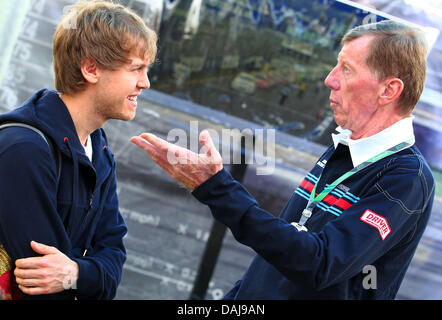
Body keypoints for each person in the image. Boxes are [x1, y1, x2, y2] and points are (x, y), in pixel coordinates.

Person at [130, 20, 435, 299]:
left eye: (346, 69)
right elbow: (281, 255)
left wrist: (216, 188)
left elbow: (320, 264)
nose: (330, 79)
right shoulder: (347, 145)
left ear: (389, 89)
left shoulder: (405, 178)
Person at [0, 1, 157, 299]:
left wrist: (74, 273)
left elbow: (113, 264)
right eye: (136, 68)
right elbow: (43, 286)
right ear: (91, 68)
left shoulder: (99, 151)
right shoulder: (24, 149)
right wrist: (85, 274)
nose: (145, 83)